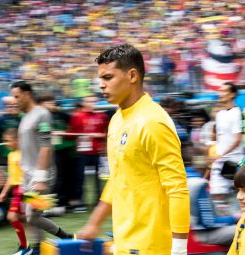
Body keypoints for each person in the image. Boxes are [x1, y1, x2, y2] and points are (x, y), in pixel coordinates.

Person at [76, 44, 190, 255]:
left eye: (108, 78)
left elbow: (177, 188)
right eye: (100, 79)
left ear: (132, 75)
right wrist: (95, 222)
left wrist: (180, 250)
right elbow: (118, 178)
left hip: (152, 245)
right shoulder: (116, 120)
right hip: (124, 240)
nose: (101, 85)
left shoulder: (153, 122)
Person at [10, 81, 72, 253]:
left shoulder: (42, 114)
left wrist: (41, 177)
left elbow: (46, 146)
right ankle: (40, 246)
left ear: (27, 94)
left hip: (41, 176)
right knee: (31, 216)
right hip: (28, 176)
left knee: (31, 215)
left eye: (16, 96)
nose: (14, 101)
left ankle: (63, 238)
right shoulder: (24, 117)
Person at [36, 94, 77, 214]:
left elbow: (71, 122)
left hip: (56, 150)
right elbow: (43, 132)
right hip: (41, 152)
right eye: (48, 102)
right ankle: (38, 207)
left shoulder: (59, 114)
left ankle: (57, 203)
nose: (51, 104)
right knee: (41, 179)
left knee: (59, 177)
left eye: (52, 102)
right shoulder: (38, 116)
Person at [210, 82, 245, 214]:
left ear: (232, 94)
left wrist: (222, 154)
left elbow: (238, 139)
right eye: (220, 90)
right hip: (220, 160)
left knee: (240, 194)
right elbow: (219, 137)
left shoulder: (237, 113)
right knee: (217, 194)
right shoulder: (220, 114)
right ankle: (225, 220)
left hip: (235, 160)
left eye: (224, 91)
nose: (220, 93)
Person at [68, 94, 108, 212]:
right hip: (82, 151)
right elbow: (72, 133)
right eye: (88, 101)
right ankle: (80, 202)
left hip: (95, 151)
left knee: (97, 176)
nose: (91, 104)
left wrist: (101, 141)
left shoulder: (101, 116)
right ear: (84, 103)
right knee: (80, 177)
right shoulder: (77, 116)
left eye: (93, 101)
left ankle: (98, 200)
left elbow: (105, 133)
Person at [0, 128, 30, 254]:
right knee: (22, 218)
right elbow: (11, 176)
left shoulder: (25, 154)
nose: (6, 143)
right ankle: (26, 245)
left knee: (12, 216)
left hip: (24, 189)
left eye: (8, 141)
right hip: (17, 190)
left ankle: (25, 246)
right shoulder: (11, 155)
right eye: (5, 141)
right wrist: (4, 192)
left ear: (18, 140)